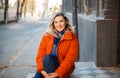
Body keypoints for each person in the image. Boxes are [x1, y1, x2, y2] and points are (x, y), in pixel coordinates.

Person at [34, 12, 79, 78]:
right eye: (56, 22)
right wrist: (41, 70)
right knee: (47, 59)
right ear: (53, 23)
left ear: (65, 22)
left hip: (63, 69)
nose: (59, 24)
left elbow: (70, 59)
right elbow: (40, 55)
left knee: (48, 58)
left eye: (61, 21)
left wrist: (58, 73)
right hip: (47, 66)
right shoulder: (47, 36)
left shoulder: (72, 37)